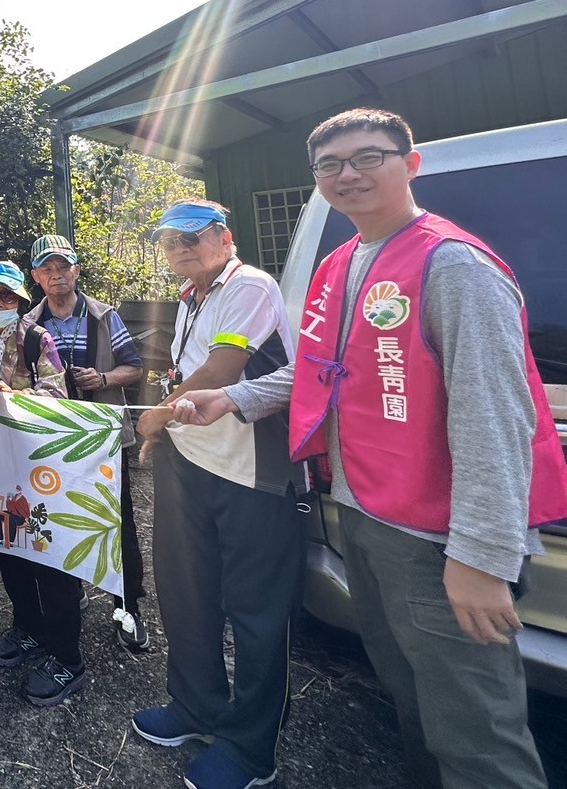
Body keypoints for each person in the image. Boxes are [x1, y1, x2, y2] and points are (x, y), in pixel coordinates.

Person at [170, 109, 567, 789]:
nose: (347, 174)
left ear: (409, 165)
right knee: (412, 702)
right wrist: (233, 400)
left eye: (367, 157)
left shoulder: (453, 265)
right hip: (365, 516)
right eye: (330, 165)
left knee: (475, 732)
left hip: (437, 537)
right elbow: (317, 371)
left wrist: (480, 554)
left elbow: (495, 415)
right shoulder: (338, 264)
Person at [127, 200, 299, 789]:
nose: (179, 248)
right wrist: (164, 435)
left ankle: (251, 751)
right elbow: (186, 375)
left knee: (253, 610)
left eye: (192, 237)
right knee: (185, 590)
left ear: (225, 237)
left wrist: (151, 419)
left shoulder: (249, 285)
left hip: (252, 471)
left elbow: (225, 368)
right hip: (191, 461)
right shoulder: (188, 298)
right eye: (170, 240)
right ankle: (195, 707)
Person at [0, 261, 90, 708]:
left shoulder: (38, 340)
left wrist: (14, 397)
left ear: (18, 301)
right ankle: (29, 629)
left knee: (51, 562)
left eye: (7, 298)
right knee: (11, 556)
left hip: (40, 469)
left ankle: (68, 659)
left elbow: (59, 397)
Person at [25, 233, 150, 652]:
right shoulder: (27, 325)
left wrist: (103, 379)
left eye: (63, 266)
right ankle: (70, 589)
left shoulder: (103, 316)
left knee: (117, 521)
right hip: (52, 438)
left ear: (77, 270)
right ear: (36, 277)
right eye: (47, 269)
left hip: (101, 435)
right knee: (59, 518)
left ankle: (128, 604)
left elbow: (134, 366)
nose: (56, 275)